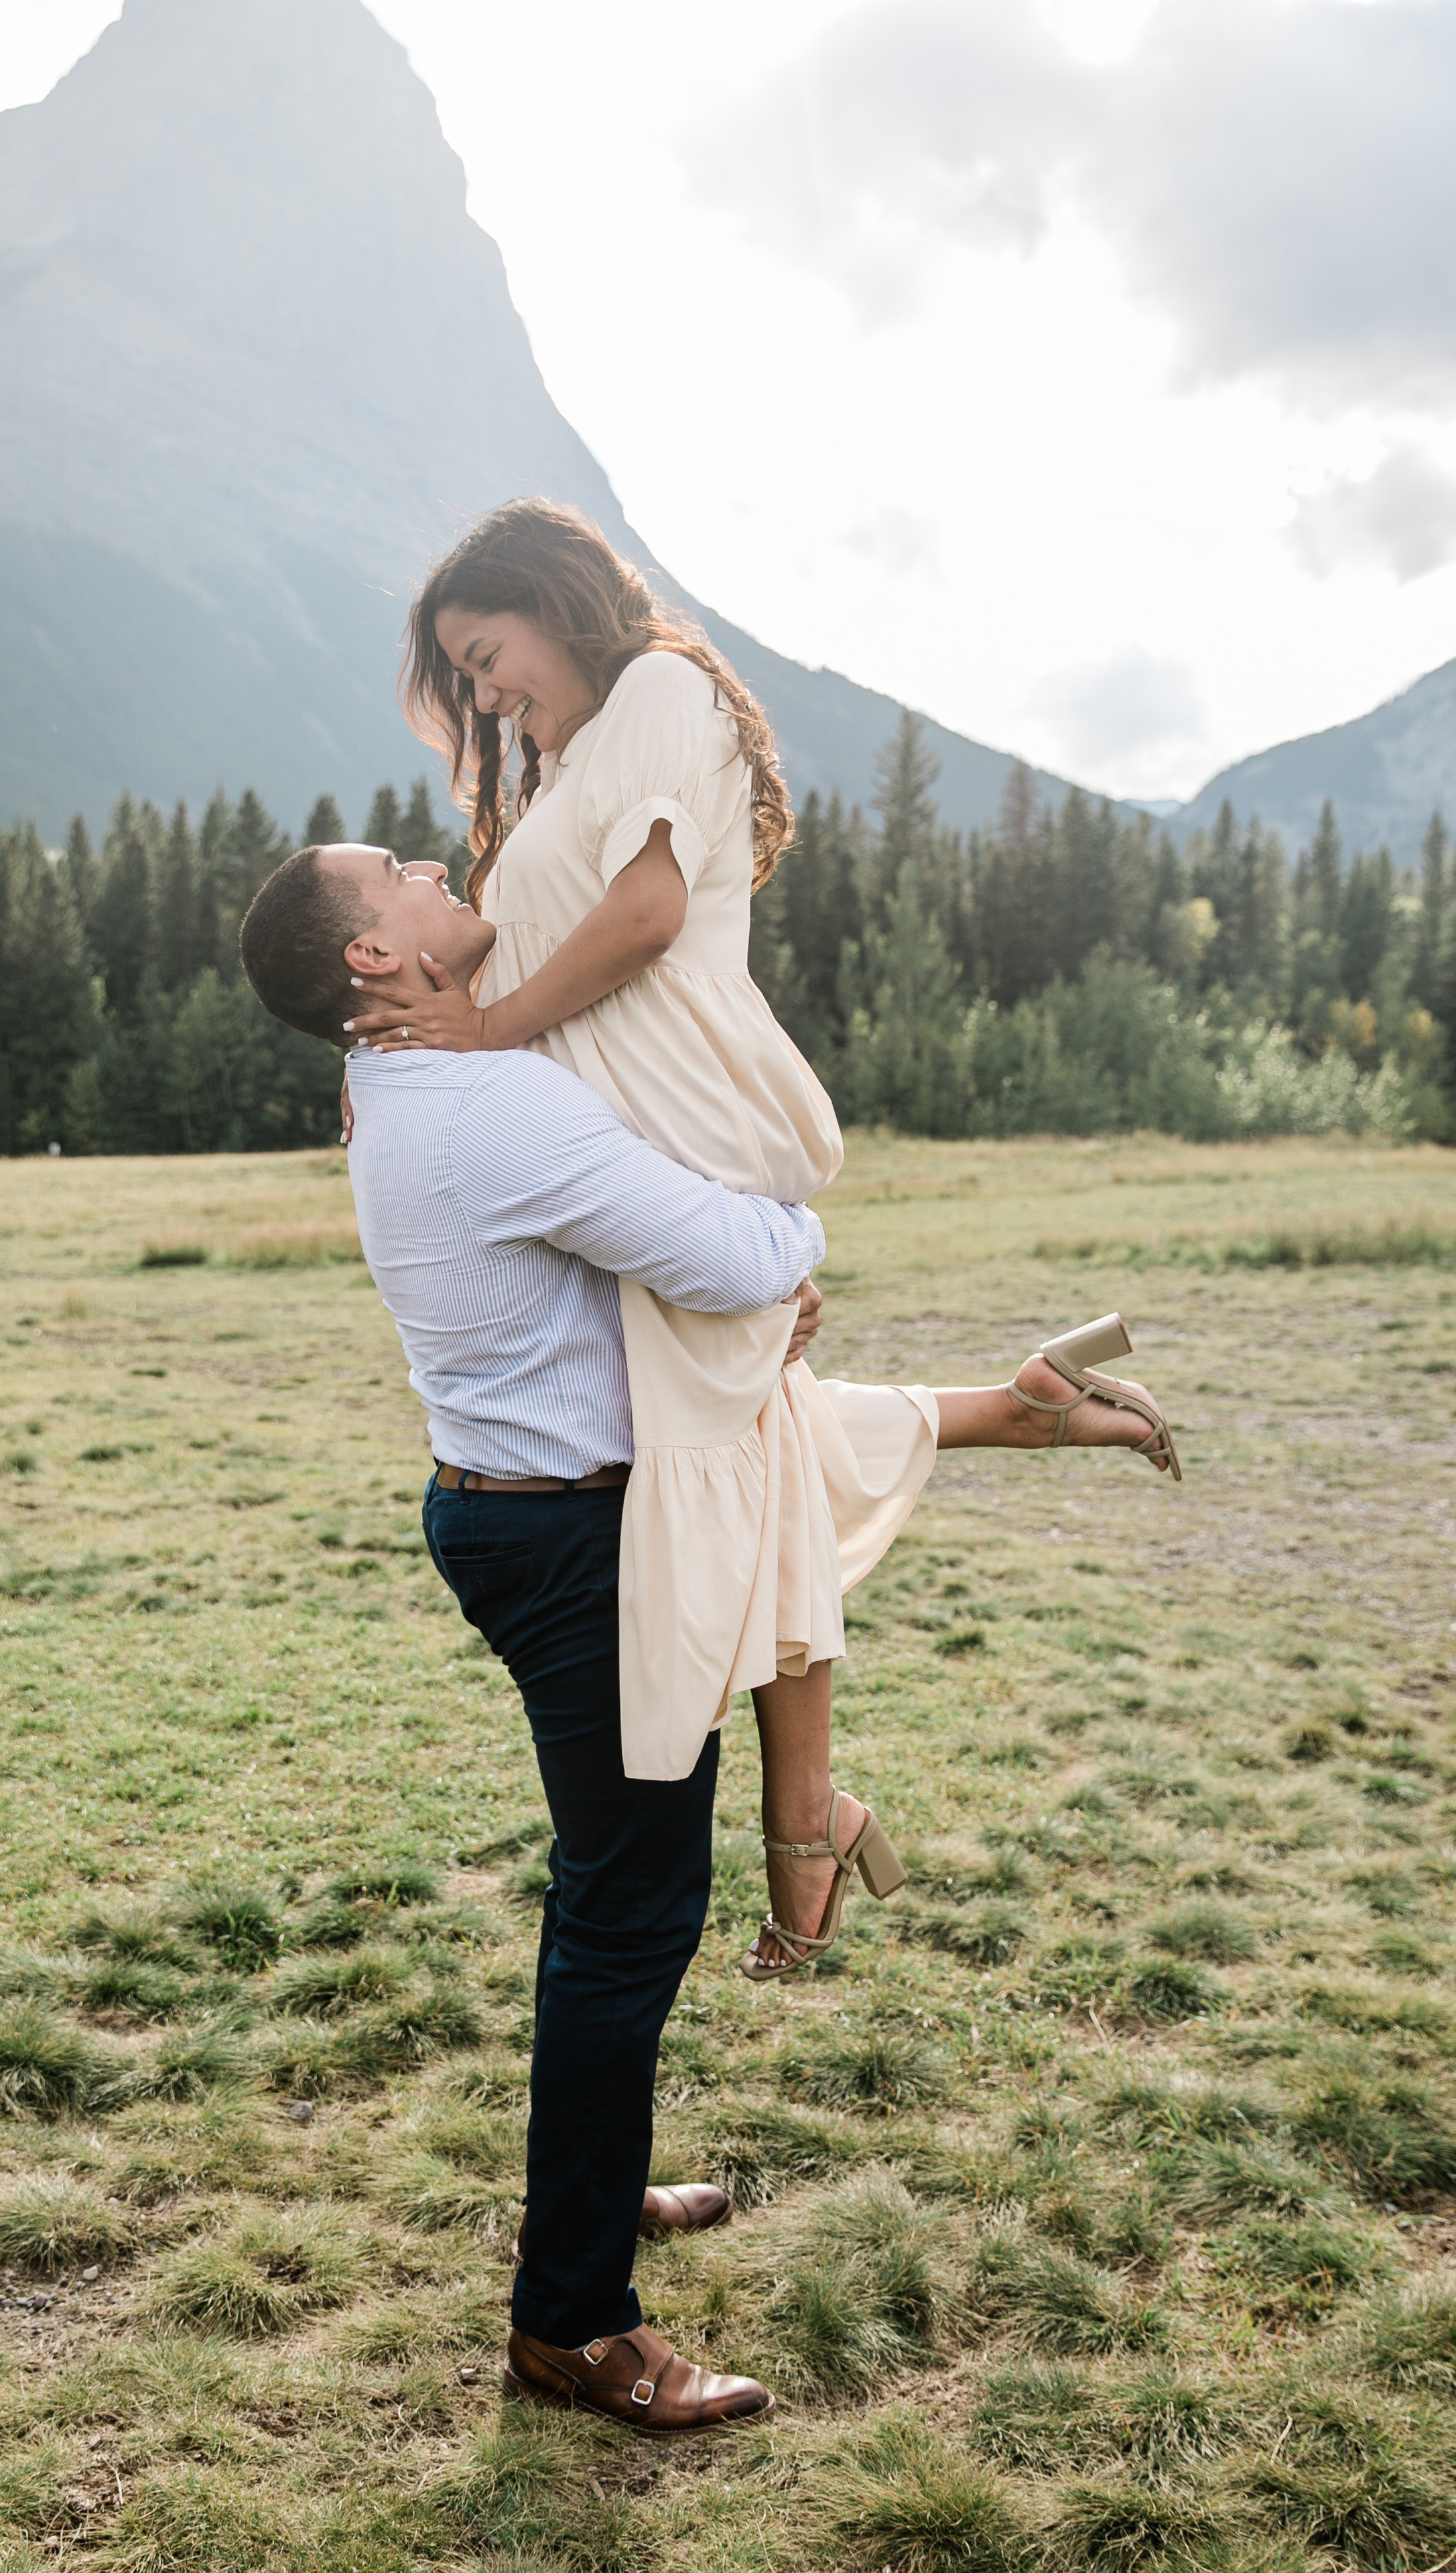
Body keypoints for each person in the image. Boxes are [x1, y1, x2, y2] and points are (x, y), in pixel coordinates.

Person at [239, 839, 1177, 2432]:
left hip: (532, 1512)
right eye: (388, 870)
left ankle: (583, 2213)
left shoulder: (410, 1090)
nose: (423, 858)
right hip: (574, 1541)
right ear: (370, 963)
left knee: (616, 1903)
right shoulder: (484, 1102)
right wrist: (774, 1264)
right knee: (625, 1917)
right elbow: (759, 1246)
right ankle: (573, 2326)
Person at [342, 499, 1180, 1976]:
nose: (481, 696)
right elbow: (511, 953)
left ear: (553, 602)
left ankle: (806, 1826)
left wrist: (476, 1035)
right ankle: (813, 1817)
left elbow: (652, 912)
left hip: (686, 1129)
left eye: (486, 656)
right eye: (463, 677)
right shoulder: (565, 761)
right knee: (744, 1446)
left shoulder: (658, 691)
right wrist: (395, 1073)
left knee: (710, 1474)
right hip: (629, 1147)